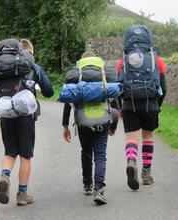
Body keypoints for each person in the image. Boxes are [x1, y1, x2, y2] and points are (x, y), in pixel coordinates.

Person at [0, 38, 54, 206]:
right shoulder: (33, 67)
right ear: (30, 53)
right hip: (26, 118)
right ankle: (22, 194)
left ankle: (5, 175)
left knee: (10, 152)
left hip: (5, 114)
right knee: (26, 155)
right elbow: (49, 91)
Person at [62, 51, 119, 205]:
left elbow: (68, 102)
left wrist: (65, 125)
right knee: (100, 154)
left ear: (82, 62)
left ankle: (87, 184)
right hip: (103, 121)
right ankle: (99, 189)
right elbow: (114, 103)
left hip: (83, 121)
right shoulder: (104, 75)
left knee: (86, 152)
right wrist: (114, 126)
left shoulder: (78, 76)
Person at [117, 25, 167, 190]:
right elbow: (163, 88)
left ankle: (131, 160)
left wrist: (120, 108)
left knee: (132, 139)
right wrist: (157, 106)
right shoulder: (156, 60)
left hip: (129, 103)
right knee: (148, 138)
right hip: (150, 103)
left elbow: (118, 87)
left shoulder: (124, 61)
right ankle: (146, 174)